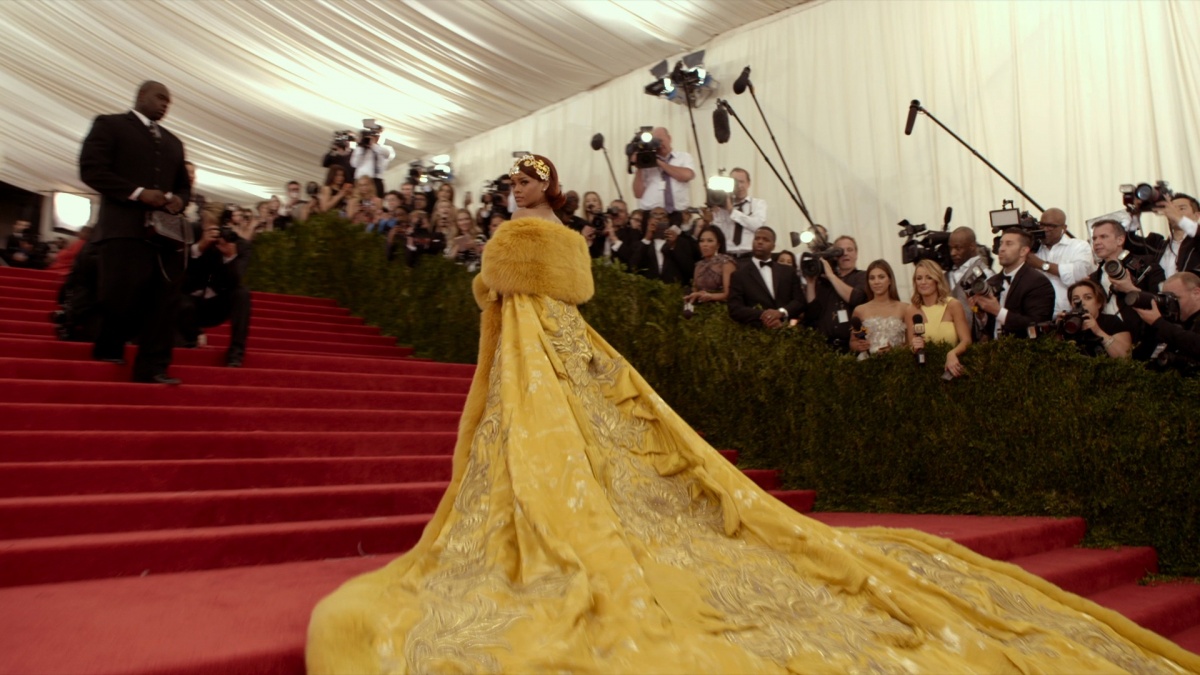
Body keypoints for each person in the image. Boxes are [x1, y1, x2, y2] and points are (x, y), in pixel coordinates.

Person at [306, 153, 1198, 675]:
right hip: (521, 346)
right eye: (516, 182)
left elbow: (563, 287)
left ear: (550, 189)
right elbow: (506, 290)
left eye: (530, 180)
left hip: (557, 340)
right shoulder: (516, 235)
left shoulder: (552, 238)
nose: (520, 188)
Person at [78, 80, 191, 385]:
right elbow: (91, 170)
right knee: (119, 295)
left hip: (165, 236)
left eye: (169, 101)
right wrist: (138, 193)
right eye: (160, 98)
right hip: (123, 229)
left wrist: (180, 200)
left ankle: (153, 367)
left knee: (164, 300)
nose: (165, 104)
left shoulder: (174, 142)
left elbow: (184, 186)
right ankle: (109, 352)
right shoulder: (110, 125)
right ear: (141, 96)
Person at [179, 206, 251, 367]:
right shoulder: (192, 233)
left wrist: (230, 257)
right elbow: (180, 274)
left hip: (216, 305)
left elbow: (235, 280)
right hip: (187, 303)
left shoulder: (240, 245)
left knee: (242, 293)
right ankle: (190, 338)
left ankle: (236, 354)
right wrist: (199, 248)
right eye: (208, 226)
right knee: (179, 299)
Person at [1088, 218, 1163, 359]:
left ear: (1120, 240)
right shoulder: (1093, 278)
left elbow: (1160, 301)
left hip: (1146, 342)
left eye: (1103, 237)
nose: (1097, 242)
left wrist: (1130, 289)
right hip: (1111, 345)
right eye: (1094, 238)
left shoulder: (1145, 264)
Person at [969, 229, 1055, 339]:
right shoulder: (992, 282)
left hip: (1023, 347)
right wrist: (980, 313)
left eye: (1009, 244)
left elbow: (1037, 325)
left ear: (1023, 251)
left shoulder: (1038, 282)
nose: (1001, 249)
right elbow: (987, 327)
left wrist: (998, 311)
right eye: (1001, 243)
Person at [727, 226, 804, 328]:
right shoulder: (739, 275)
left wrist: (781, 312)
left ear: (773, 246)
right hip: (756, 331)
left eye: (765, 240)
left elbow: (799, 301)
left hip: (789, 329)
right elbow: (735, 309)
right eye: (757, 238)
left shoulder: (788, 272)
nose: (760, 242)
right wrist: (765, 315)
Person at [1022, 208, 1095, 314]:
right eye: (1042, 225)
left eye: (1051, 226)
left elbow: (1078, 274)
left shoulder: (1078, 246)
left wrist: (1041, 264)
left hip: (1071, 314)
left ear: (1064, 228)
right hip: (1037, 313)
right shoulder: (1032, 249)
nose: (1045, 229)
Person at [803, 235, 868, 351]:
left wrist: (831, 276)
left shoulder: (862, 276)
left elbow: (856, 298)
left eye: (849, 249)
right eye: (840, 251)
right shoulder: (823, 281)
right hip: (824, 347)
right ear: (834, 256)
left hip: (852, 347)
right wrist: (811, 283)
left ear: (856, 254)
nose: (845, 253)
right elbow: (812, 313)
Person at [909, 259, 971, 376]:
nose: (923, 282)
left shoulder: (953, 305)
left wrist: (952, 353)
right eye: (919, 278)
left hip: (951, 372)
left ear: (937, 280)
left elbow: (966, 341)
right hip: (923, 374)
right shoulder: (911, 310)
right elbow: (910, 346)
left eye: (929, 277)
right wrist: (914, 347)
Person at [1133, 271, 1200, 372]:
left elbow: (1195, 344)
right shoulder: (1172, 325)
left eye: (1176, 298)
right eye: (1168, 300)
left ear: (1196, 293)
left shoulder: (1167, 328)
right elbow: (1139, 360)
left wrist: (1159, 323)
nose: (1171, 304)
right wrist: (1152, 326)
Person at [631, 127, 695, 226]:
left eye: (660, 140)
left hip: (678, 214)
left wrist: (659, 162)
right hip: (651, 215)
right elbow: (638, 194)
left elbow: (687, 175)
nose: (659, 144)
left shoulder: (683, 157)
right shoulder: (646, 161)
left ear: (669, 138)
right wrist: (639, 164)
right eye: (655, 142)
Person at [850, 259, 913, 356]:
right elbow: (852, 342)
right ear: (868, 282)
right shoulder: (860, 310)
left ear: (890, 280)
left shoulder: (905, 308)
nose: (876, 282)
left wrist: (895, 350)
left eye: (881, 277)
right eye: (872, 278)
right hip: (867, 362)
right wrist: (859, 346)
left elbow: (911, 343)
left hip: (897, 362)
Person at [946, 226, 994, 342]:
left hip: (976, 340)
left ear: (972, 246)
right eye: (950, 248)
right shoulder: (947, 274)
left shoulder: (985, 273)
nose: (953, 253)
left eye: (958, 248)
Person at [1062, 279, 1132, 358]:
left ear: (1099, 303)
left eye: (1088, 297)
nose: (1081, 303)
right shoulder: (1067, 323)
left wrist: (1098, 331)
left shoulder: (1112, 322)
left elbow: (1125, 357)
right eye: (1075, 299)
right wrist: (1058, 330)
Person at [710, 167, 766, 258]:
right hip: (726, 255)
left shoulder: (758, 203)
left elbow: (758, 227)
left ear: (748, 183)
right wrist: (712, 216)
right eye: (735, 182)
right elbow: (717, 233)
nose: (739, 186)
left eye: (742, 182)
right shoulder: (721, 205)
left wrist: (732, 211)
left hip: (749, 255)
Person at [684, 225, 736, 304]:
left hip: (723, 307)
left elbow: (728, 294)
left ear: (718, 245)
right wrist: (692, 296)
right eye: (702, 241)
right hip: (701, 307)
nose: (705, 244)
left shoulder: (726, 263)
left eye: (710, 241)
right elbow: (695, 291)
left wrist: (710, 296)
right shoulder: (699, 266)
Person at [349, 126, 394, 197]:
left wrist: (373, 145)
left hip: (376, 180)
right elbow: (354, 164)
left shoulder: (384, 148)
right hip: (360, 180)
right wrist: (362, 147)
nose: (375, 137)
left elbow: (387, 154)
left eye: (376, 135)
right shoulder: (359, 149)